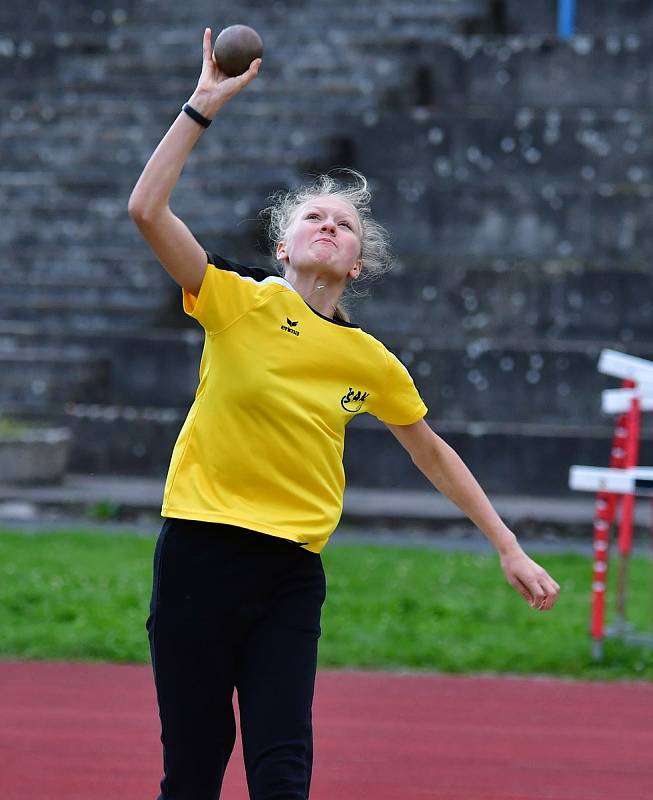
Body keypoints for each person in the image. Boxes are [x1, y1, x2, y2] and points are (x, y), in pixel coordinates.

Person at [128, 27, 561, 800]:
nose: (328, 226)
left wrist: (507, 546)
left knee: (282, 765)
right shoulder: (236, 301)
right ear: (283, 249)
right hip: (199, 551)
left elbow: (430, 452)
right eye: (312, 220)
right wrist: (201, 105)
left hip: (291, 570)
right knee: (193, 770)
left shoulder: (370, 361)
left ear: (355, 262)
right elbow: (146, 210)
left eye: (343, 224)